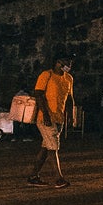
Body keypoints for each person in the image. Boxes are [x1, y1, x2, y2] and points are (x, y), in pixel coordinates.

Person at [28, 55, 74, 189]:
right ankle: (59, 178)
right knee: (53, 148)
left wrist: (70, 116)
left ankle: (33, 176)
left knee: (45, 148)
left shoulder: (68, 79)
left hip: (59, 118)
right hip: (45, 118)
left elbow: (69, 99)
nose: (69, 65)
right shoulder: (46, 75)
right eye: (67, 62)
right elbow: (38, 94)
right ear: (58, 62)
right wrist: (46, 115)